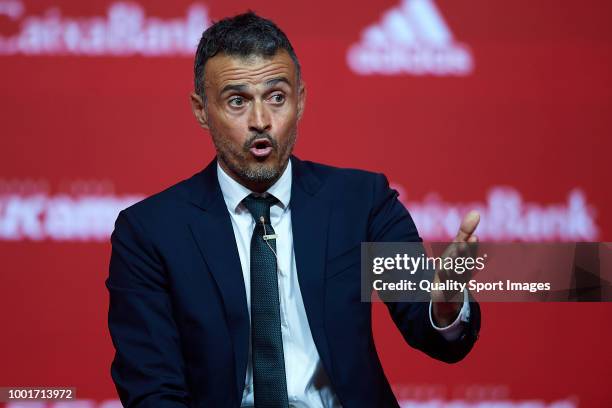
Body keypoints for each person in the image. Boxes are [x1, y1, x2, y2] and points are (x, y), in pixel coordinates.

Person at [106, 11, 481, 408]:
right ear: (201, 110)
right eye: (237, 101)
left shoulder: (360, 201)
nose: (261, 121)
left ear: (299, 101)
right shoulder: (150, 232)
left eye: (276, 97)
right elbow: (152, 391)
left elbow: (429, 329)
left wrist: (443, 304)